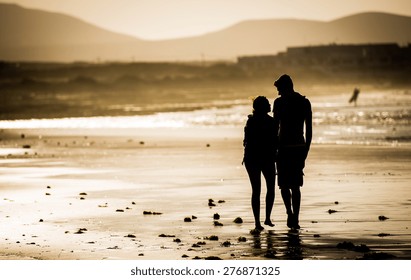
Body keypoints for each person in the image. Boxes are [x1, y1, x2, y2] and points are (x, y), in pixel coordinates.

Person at [272, 74, 312, 230]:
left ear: (285, 87)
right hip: (297, 148)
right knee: (295, 186)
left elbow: (275, 129)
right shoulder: (304, 102)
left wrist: (273, 148)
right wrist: (306, 150)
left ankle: (290, 213)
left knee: (284, 185)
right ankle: (294, 215)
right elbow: (309, 131)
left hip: (283, 148)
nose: (278, 92)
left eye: (279, 89)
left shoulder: (279, 103)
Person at [243, 96, 277, 232]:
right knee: (270, 188)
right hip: (266, 158)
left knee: (256, 191)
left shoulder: (250, 121)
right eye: (268, 104)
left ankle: (257, 222)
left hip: (251, 158)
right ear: (264, 107)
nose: (270, 106)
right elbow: (275, 142)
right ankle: (267, 218)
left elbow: (246, 142)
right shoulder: (272, 122)